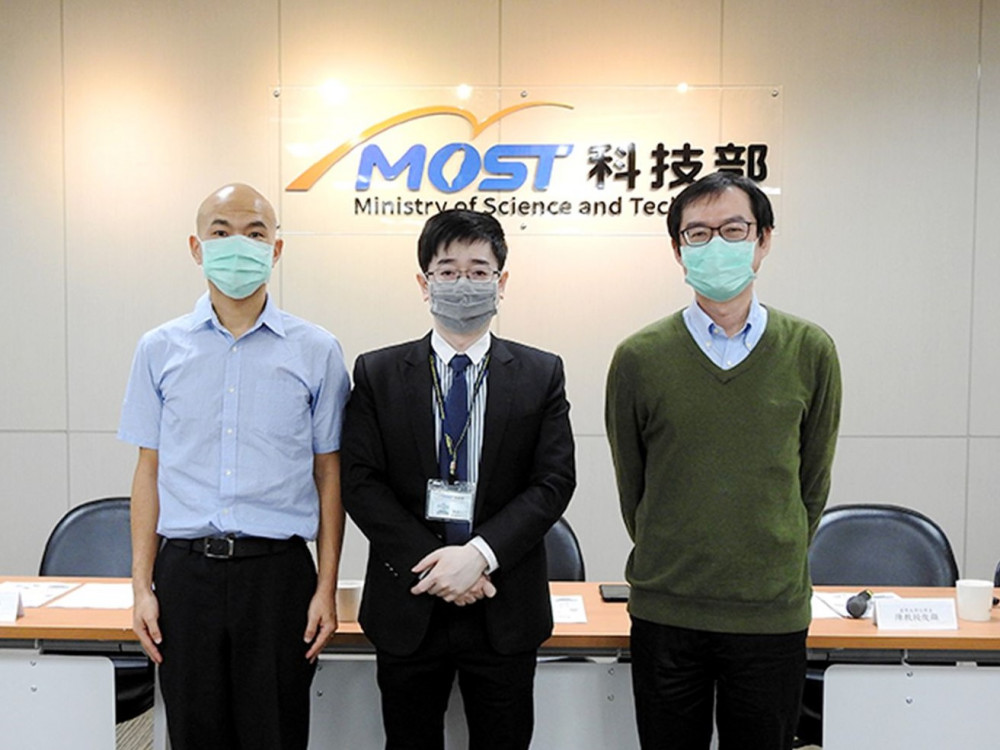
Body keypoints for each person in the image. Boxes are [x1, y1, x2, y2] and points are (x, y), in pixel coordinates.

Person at [605, 171, 842, 750]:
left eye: (734, 230)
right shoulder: (639, 357)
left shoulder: (810, 350)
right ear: (678, 250)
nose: (716, 245)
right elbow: (634, 486)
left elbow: (812, 482)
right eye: (698, 233)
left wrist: (771, 548)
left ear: (763, 240)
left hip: (770, 612)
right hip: (667, 609)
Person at [118, 183, 350, 750]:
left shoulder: (317, 350)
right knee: (193, 733)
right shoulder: (159, 348)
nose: (238, 244)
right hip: (185, 574)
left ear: (276, 249)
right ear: (197, 247)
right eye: (221, 232)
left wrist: (326, 588)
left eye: (255, 232)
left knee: (276, 732)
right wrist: (142, 587)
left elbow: (329, 475)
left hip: (278, 578)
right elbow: (148, 471)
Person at [341, 209, 576, 750]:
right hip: (410, 599)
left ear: (501, 281)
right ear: (424, 282)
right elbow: (360, 482)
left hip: (503, 601)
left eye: (478, 270)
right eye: (448, 271)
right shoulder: (377, 372)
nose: (463, 283)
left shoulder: (541, 373)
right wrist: (439, 563)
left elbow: (553, 481)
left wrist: (477, 556)